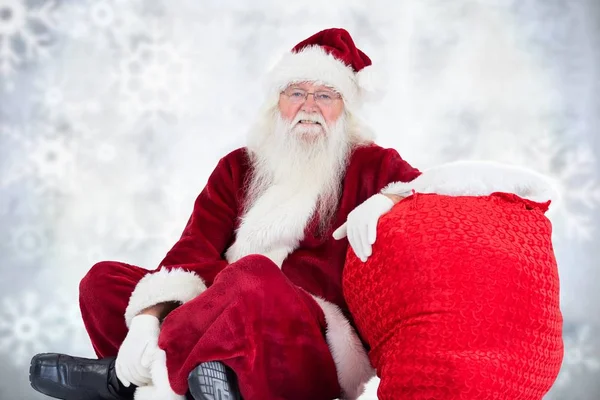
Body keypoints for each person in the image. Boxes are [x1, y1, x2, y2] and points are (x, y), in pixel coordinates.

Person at [29, 28, 422, 400]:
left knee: (252, 274)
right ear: (277, 104)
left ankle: (121, 379)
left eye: (325, 95)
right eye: (297, 92)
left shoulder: (372, 165)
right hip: (221, 305)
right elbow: (191, 251)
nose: (308, 107)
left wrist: (388, 201)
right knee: (102, 281)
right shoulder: (238, 167)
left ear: (345, 110)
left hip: (308, 341)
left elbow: (433, 196)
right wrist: (148, 317)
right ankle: (205, 376)